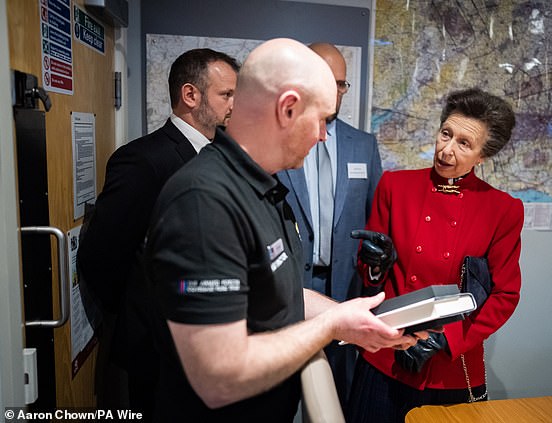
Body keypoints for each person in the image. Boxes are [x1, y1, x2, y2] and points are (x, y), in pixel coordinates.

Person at [142, 38, 418, 422]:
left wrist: (357, 320)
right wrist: (331, 327)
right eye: (320, 119)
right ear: (288, 108)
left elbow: (281, 293)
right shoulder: (203, 201)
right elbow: (219, 376)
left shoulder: (262, 189)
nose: (323, 135)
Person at [77, 48, 239, 419]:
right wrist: (143, 313)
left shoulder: (220, 156)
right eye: (226, 94)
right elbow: (102, 256)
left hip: (203, 351)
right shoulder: (144, 160)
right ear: (190, 95)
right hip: (156, 351)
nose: (234, 104)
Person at [346, 87, 524, 423]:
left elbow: (505, 294)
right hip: (385, 357)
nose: (446, 150)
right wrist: (373, 265)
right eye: (446, 134)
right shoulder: (395, 186)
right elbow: (371, 274)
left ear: (483, 156)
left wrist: (447, 340)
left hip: (449, 369)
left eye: (464, 143)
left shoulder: (502, 210)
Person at [276, 42, 383, 409]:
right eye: (328, 81)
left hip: (344, 289)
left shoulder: (364, 146)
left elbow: (376, 222)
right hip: (289, 288)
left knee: (334, 398)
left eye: (342, 84)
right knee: (283, 393)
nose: (336, 92)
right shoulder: (279, 141)